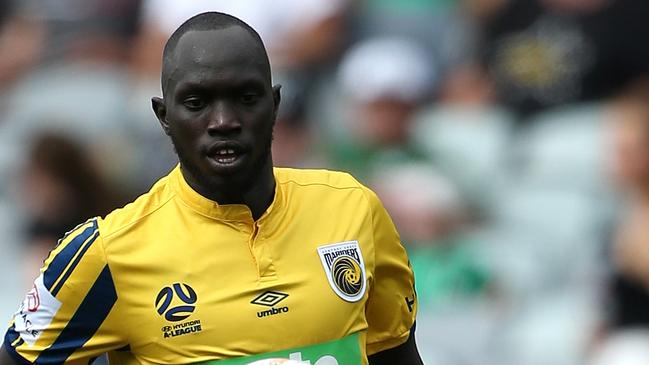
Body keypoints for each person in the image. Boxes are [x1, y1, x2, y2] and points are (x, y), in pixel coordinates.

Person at [0, 12, 422, 365]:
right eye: (197, 102)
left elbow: (396, 352)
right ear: (164, 116)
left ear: (274, 104)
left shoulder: (352, 207)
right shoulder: (107, 253)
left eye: (244, 97)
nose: (223, 121)